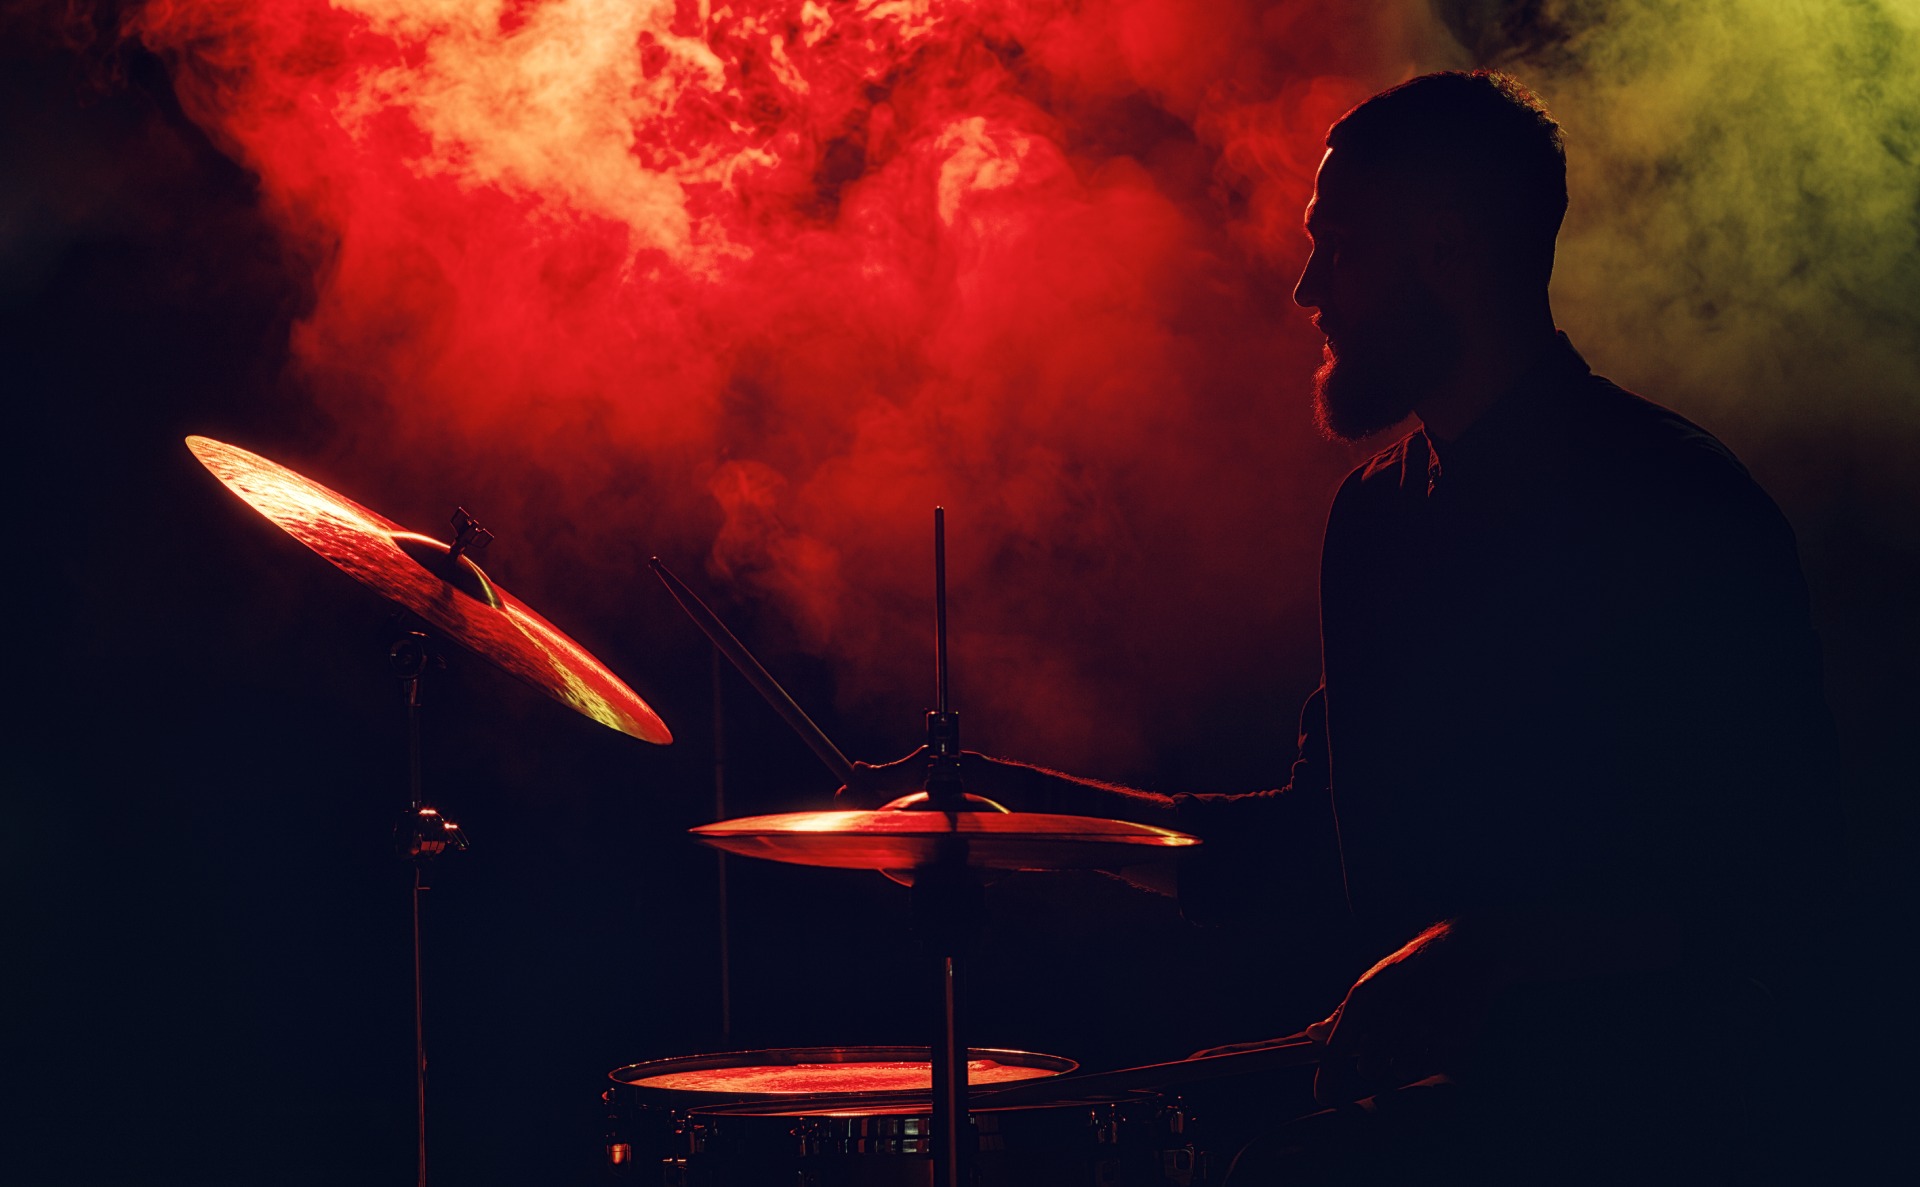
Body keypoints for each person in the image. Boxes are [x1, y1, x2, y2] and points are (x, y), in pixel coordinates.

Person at [847, 71, 1843, 1182]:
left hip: (1654, 1128)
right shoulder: (1375, 515)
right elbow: (1313, 849)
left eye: (1339, 244)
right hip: (1438, 1119)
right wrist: (1020, 808)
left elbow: (1780, 884)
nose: (1307, 287)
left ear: (1446, 249)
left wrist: (1490, 951)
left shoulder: (1676, 502)